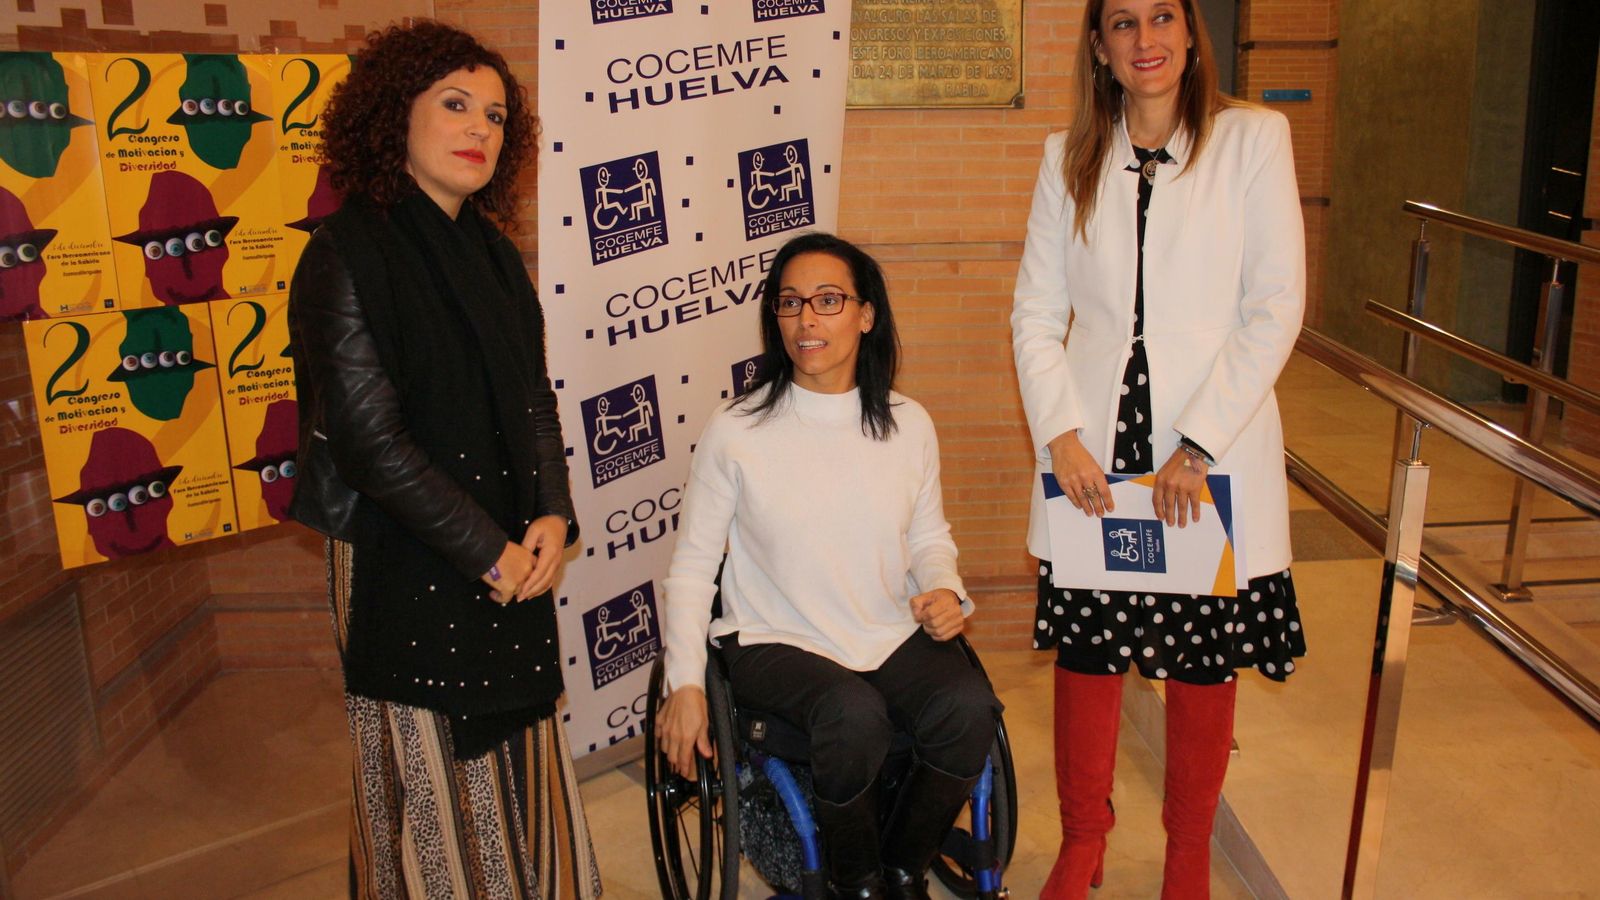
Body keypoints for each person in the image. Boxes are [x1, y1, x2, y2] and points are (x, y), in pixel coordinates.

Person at [287, 20, 600, 899]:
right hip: (403, 555)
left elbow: (533, 397)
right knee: (428, 777)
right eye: (455, 105)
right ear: (395, 114)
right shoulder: (343, 252)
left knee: (520, 755)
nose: (479, 130)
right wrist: (488, 551)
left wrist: (551, 513)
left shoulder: (492, 252)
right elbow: (369, 445)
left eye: (496, 116)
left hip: (505, 546)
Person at [1010, 1, 1307, 897]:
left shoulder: (1252, 140)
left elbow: (1275, 307)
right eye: (1124, 23)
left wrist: (1201, 443)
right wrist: (1061, 434)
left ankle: (1187, 855)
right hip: (1094, 453)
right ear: (1099, 47)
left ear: (1189, 33)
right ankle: (1083, 841)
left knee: (1202, 663)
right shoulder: (1068, 157)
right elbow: (1036, 312)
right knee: (1089, 656)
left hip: (1205, 451)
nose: (1146, 40)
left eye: (1163, 17)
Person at [656, 232, 1002, 900]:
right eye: (790, 303)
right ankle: (856, 882)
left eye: (827, 300)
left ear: (866, 315)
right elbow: (694, 565)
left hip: (884, 628)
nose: (806, 318)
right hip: (776, 638)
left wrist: (942, 586)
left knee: (968, 708)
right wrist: (686, 683)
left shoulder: (908, 423)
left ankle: (900, 869)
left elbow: (929, 535)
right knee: (853, 714)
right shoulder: (737, 428)